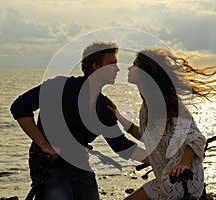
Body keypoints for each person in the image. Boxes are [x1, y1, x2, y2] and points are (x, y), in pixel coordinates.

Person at [10, 41, 149, 200]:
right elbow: (19, 107)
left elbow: (121, 145)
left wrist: (160, 162)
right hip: (50, 167)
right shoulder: (60, 86)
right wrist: (44, 145)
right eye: (112, 64)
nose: (117, 69)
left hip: (81, 167)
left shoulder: (104, 106)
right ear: (96, 66)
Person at [108, 47, 216, 200]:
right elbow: (147, 136)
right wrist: (119, 117)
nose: (129, 68)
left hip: (182, 183)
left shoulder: (170, 106)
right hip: (164, 180)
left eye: (134, 65)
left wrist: (183, 164)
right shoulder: (147, 107)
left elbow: (196, 139)